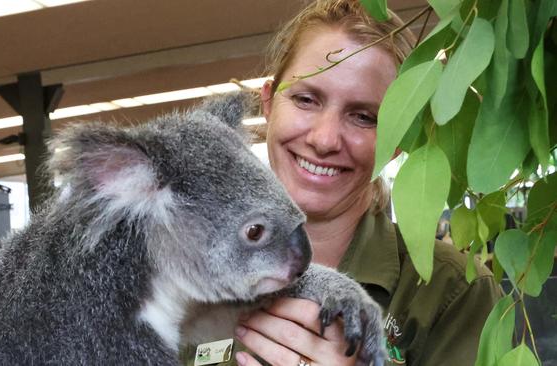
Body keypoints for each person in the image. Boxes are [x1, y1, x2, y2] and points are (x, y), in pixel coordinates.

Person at [183, 1, 501, 365]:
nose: (325, 139)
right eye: (305, 99)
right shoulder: (187, 274)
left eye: (363, 117)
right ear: (269, 104)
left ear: (395, 142)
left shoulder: (451, 292)